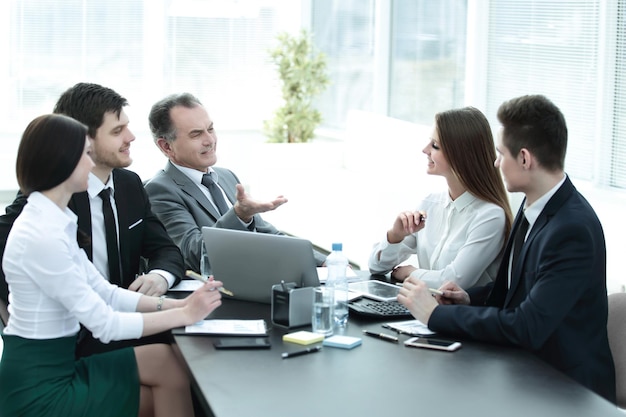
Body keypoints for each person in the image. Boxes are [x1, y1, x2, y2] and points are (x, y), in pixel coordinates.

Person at [0, 113, 223, 416]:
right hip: (40, 388)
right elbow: (104, 323)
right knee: (160, 393)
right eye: (85, 155)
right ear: (62, 162)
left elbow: (106, 292)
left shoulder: (56, 219)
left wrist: (178, 307)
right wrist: (185, 313)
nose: (91, 164)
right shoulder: (42, 236)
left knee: (168, 362)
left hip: (57, 364)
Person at [398, 95, 616, 402]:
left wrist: (435, 315)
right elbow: (517, 290)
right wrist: (467, 299)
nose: (496, 162)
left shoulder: (571, 230)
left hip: (567, 389)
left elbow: (527, 326)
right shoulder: (533, 205)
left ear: (525, 158)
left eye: (501, 154)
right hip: (525, 369)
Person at [0, 82, 185, 357]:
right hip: (77, 338)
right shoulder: (50, 199)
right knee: (178, 353)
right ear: (79, 139)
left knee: (190, 346)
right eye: (117, 131)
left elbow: (165, 249)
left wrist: (160, 276)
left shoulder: (129, 185)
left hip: (122, 316)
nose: (131, 137)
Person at [144, 92, 327, 273]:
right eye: (196, 134)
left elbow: (269, 235)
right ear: (166, 146)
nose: (210, 140)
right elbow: (195, 255)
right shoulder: (159, 190)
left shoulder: (226, 176)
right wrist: (239, 215)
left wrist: (324, 262)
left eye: (211, 129)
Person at [369, 107, 513, 289]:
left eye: (435, 145)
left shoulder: (490, 216)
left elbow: (453, 282)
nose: (424, 150)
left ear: (460, 154)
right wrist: (395, 235)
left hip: (459, 315)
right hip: (424, 310)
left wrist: (410, 273)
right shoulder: (430, 203)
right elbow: (376, 266)